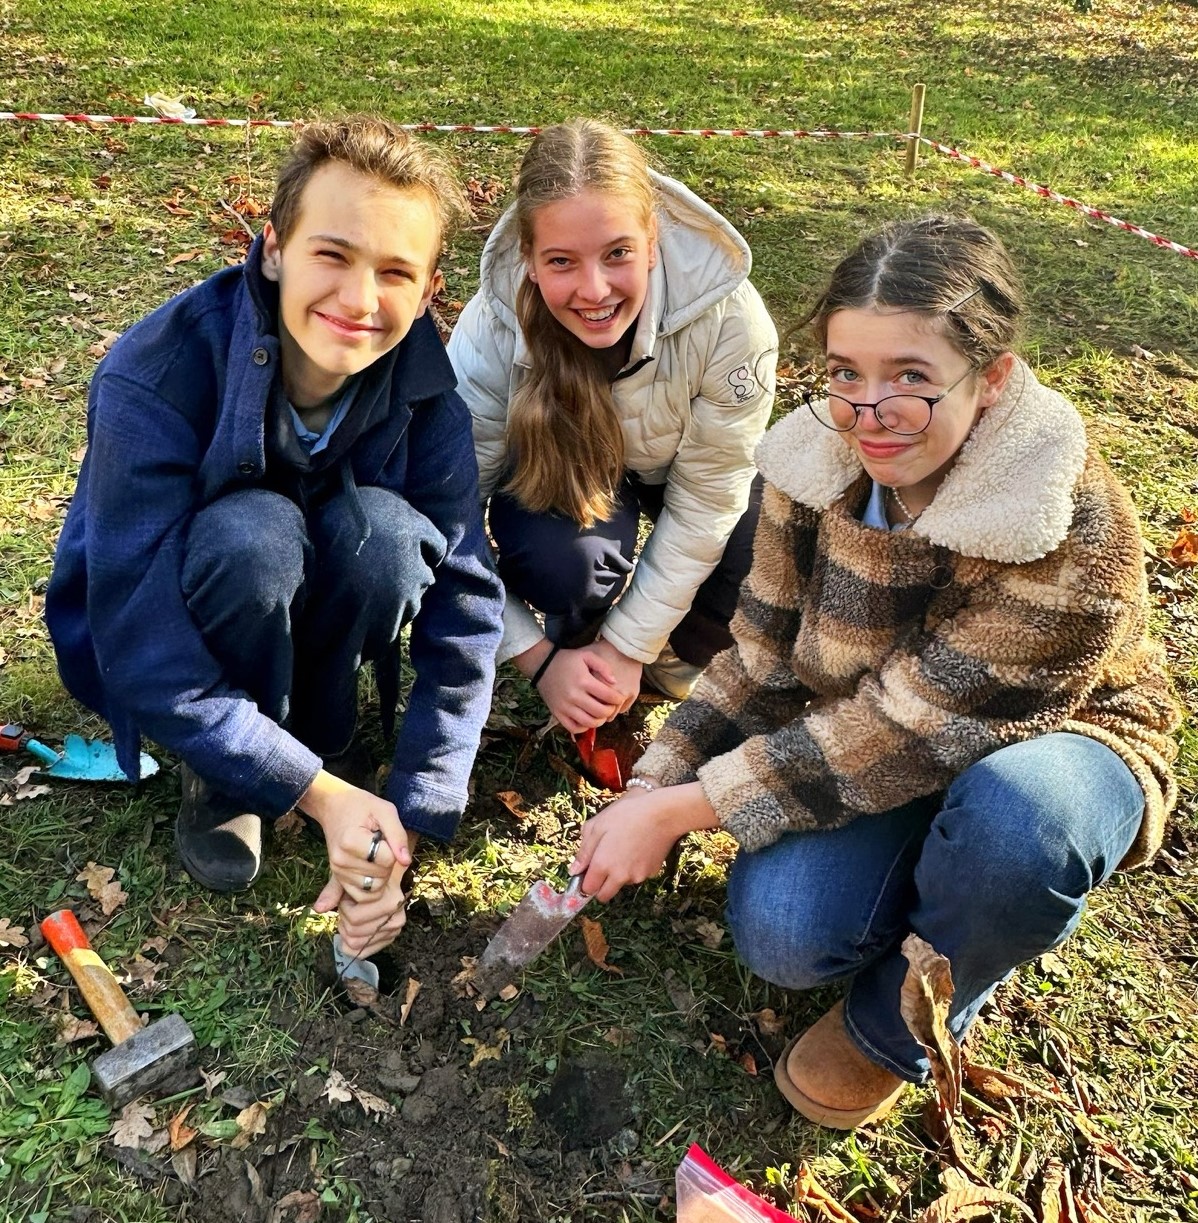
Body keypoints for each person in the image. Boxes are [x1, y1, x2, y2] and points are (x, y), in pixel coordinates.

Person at [569, 214, 1180, 1128]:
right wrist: (651, 783)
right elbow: (759, 658)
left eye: (911, 379)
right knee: (783, 930)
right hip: (869, 730)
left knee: (1018, 830)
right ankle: (946, 883)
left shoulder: (1057, 520)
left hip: (1053, 742)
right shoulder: (812, 465)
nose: (868, 412)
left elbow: (909, 728)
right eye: (846, 373)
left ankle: (906, 1018)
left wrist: (683, 810)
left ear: (993, 377)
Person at [46, 117, 505, 963]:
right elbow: (138, 639)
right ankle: (228, 770)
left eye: (396, 272)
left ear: (432, 286)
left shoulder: (428, 389)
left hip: (317, 589)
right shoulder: (153, 372)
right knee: (252, 536)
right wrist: (326, 797)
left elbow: (467, 600)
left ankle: (318, 737)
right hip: (199, 614)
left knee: (393, 541)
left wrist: (411, 806)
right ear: (272, 249)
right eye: (332, 254)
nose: (361, 299)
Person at [447, 118, 777, 737]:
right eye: (562, 261)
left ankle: (666, 664)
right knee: (565, 563)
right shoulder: (493, 331)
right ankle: (578, 642)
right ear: (530, 259)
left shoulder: (731, 320)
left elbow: (709, 498)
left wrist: (631, 648)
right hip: (565, 470)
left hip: (683, 461)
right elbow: (445, 507)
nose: (594, 290)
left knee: (770, 548)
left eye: (618, 253)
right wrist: (537, 659)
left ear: (653, 241)